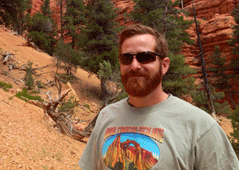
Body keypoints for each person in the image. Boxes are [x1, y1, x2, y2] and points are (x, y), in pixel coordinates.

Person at [79, 24, 239, 170]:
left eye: (145, 57)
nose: (134, 65)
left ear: (164, 65)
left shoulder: (200, 126)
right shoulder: (106, 116)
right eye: (127, 58)